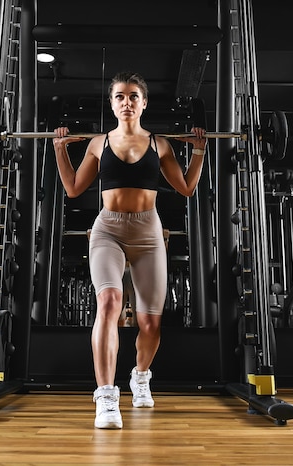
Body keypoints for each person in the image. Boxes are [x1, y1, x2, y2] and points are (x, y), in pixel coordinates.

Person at [53, 72, 206, 429]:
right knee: (107, 302)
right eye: (120, 96)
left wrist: (198, 150)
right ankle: (106, 396)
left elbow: (185, 188)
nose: (127, 102)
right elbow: (74, 188)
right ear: (112, 103)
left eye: (133, 96)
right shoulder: (97, 144)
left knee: (150, 321)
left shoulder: (160, 144)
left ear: (144, 103)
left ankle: (140, 375)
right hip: (107, 229)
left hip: (148, 233)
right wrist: (61, 150)